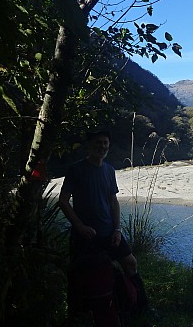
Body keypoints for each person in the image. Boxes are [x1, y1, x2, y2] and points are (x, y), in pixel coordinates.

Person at [59, 130, 148, 320]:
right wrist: (79, 226)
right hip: (85, 235)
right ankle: (76, 314)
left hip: (109, 232)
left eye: (105, 143)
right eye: (98, 142)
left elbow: (113, 201)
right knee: (77, 273)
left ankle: (141, 307)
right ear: (89, 145)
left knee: (131, 263)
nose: (102, 146)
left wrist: (117, 229)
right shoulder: (76, 170)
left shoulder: (109, 170)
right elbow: (63, 200)